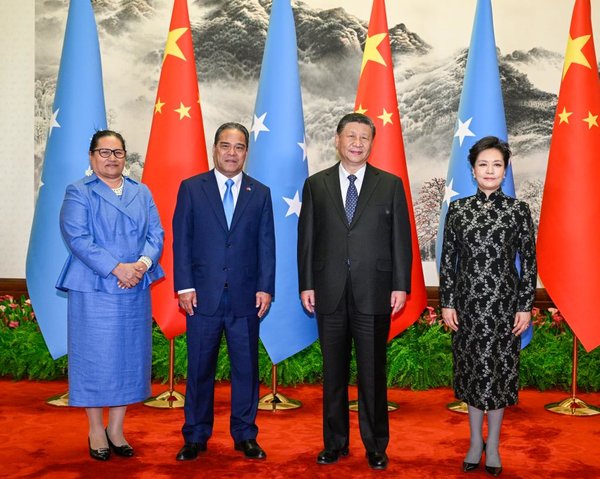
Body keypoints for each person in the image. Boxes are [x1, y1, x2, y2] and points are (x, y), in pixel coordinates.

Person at [297, 113, 412, 470]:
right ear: (337, 139)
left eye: (364, 137)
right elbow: (307, 241)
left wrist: (401, 285)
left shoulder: (389, 184)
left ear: (371, 143)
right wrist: (306, 284)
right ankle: (334, 443)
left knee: (372, 373)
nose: (357, 142)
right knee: (333, 372)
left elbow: (401, 241)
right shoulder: (317, 185)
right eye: (351, 136)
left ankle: (376, 444)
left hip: (374, 291)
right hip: (328, 291)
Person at [56, 129, 165, 461]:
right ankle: (95, 429)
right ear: (91, 157)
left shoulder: (141, 191)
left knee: (127, 361)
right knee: (95, 359)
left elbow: (156, 233)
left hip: (134, 288)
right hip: (95, 287)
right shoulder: (79, 191)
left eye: (118, 152)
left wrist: (142, 265)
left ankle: (116, 430)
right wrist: (118, 268)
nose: (112, 158)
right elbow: (77, 237)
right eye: (104, 152)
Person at [172, 122, 275, 461]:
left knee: (246, 370)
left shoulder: (259, 193)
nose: (232, 153)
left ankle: (245, 435)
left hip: (246, 298)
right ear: (214, 148)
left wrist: (265, 287)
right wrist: (184, 286)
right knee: (200, 368)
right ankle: (196, 436)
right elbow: (182, 240)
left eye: (239, 147)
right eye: (226, 146)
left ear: (247, 151)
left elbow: (266, 244)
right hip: (202, 297)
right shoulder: (191, 188)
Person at [439, 136, 537, 477]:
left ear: (505, 169)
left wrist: (524, 306)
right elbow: (448, 260)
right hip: (466, 308)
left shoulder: (518, 210)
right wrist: (447, 302)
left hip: (504, 309)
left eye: (497, 164)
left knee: (497, 376)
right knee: (471, 376)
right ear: (473, 169)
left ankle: (493, 444)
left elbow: (529, 262)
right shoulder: (458, 209)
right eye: (483, 164)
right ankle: (473, 443)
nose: (490, 170)